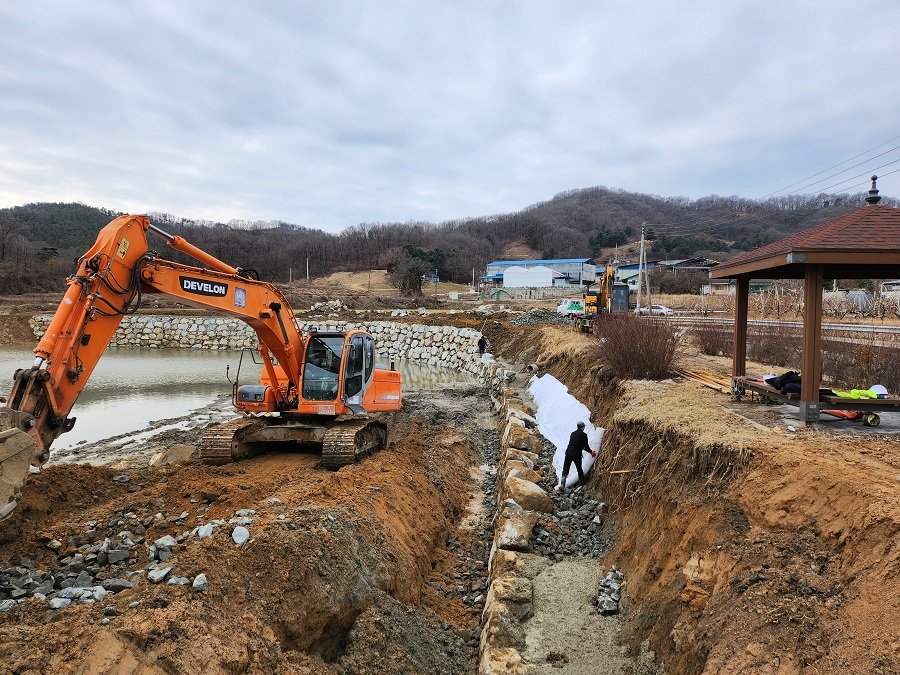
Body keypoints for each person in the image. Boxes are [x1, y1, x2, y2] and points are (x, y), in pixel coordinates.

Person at [557, 421, 596, 491]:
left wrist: (581, 446)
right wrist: (591, 452)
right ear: (583, 427)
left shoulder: (573, 433)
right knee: (579, 468)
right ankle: (582, 483)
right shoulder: (584, 435)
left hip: (568, 452)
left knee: (565, 469)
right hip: (576, 454)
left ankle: (562, 484)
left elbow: (574, 443)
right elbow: (586, 447)